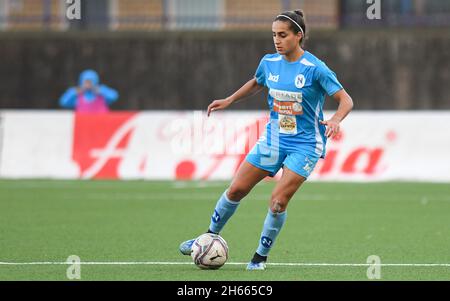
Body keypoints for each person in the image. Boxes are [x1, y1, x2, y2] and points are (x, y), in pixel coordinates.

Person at [179, 10, 353, 270]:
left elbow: (346, 100)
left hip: (305, 145)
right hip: (273, 139)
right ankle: (208, 235)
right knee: (236, 189)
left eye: (282, 35)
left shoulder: (316, 68)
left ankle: (259, 257)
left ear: (298, 36)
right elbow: (256, 82)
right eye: (274, 35)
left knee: (278, 201)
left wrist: (336, 120)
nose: (277, 40)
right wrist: (229, 100)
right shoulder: (269, 62)